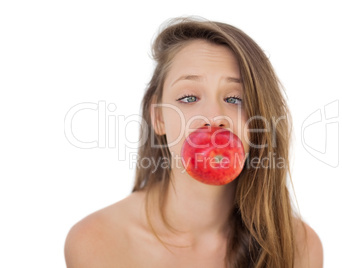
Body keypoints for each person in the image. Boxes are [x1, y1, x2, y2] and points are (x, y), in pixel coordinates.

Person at [64, 17, 323, 268]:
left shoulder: (300, 247)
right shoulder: (96, 241)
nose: (213, 117)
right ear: (158, 118)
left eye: (235, 99)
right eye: (188, 98)